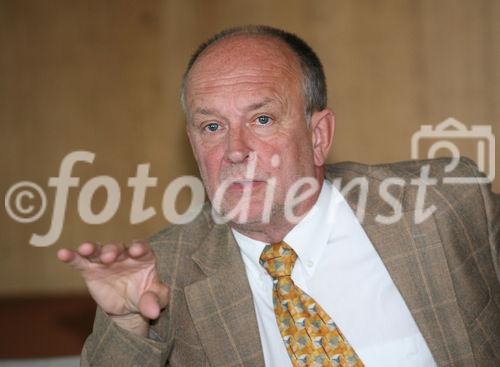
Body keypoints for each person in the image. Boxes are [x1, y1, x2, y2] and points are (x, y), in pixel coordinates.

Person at [58, 25, 500, 367]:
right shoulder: (161, 274)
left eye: (263, 119)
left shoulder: (448, 203)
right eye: (212, 127)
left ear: (318, 134)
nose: (234, 150)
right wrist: (129, 326)